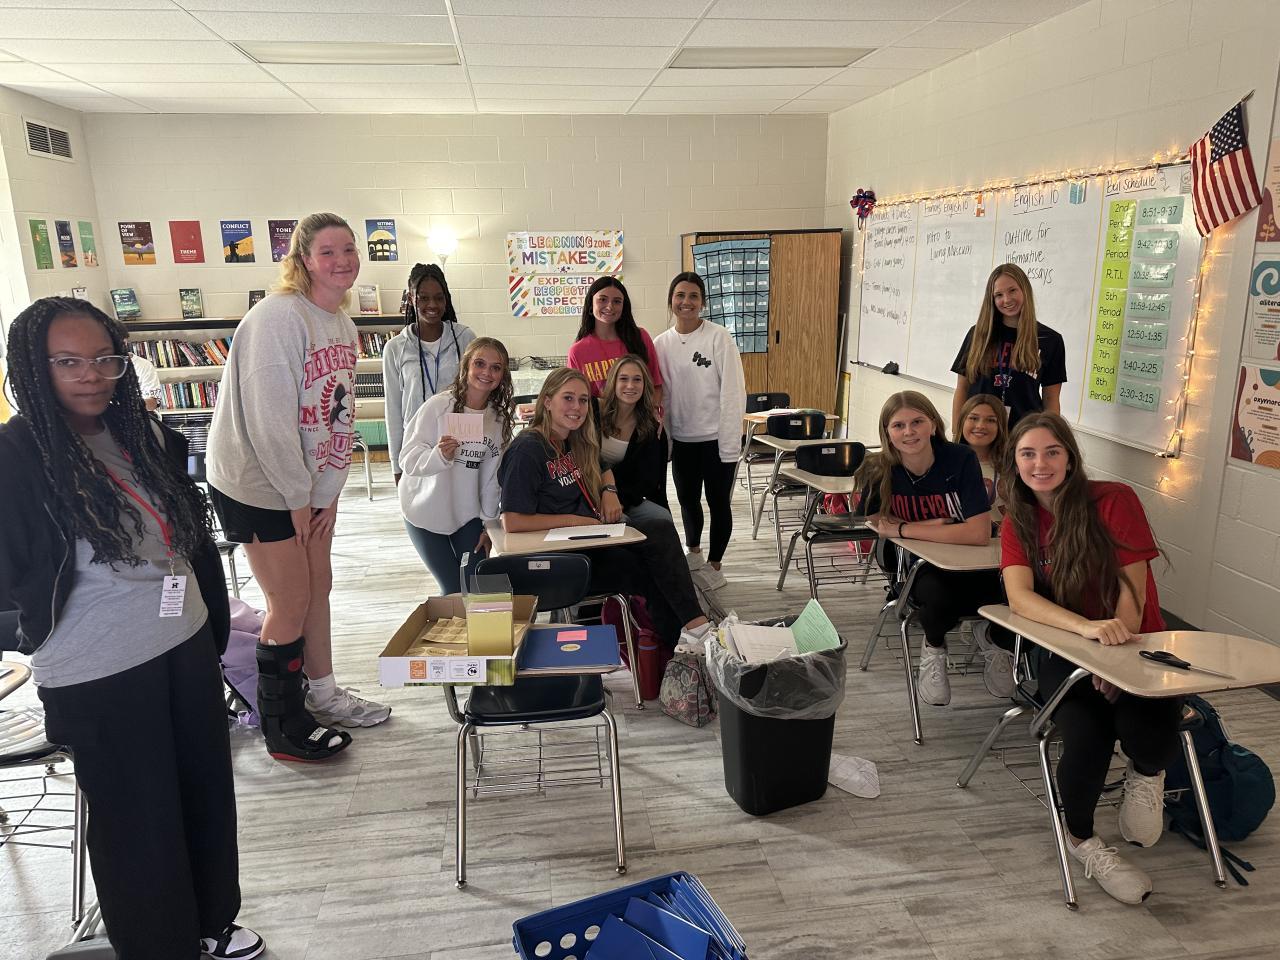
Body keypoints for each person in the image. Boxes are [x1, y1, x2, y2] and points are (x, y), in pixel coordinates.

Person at [0, 297, 263, 960]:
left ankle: (212, 921)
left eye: (104, 359)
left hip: (183, 641)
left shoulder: (141, 433)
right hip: (97, 669)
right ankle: (159, 946)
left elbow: (188, 532)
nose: (91, 375)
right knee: (137, 823)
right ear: (33, 366)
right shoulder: (15, 456)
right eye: (67, 362)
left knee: (204, 794)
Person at [206, 212, 390, 763]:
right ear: (304, 259)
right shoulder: (278, 318)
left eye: (349, 250)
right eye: (328, 251)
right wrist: (296, 498)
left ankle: (324, 694)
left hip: (304, 485)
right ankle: (283, 725)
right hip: (256, 482)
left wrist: (326, 493)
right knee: (289, 601)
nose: (342, 261)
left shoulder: (342, 325)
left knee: (318, 585)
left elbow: (337, 418)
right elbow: (270, 422)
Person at [1001, 412, 1180, 905]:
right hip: (1070, 648)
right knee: (1087, 733)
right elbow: (1019, 598)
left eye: (1052, 452)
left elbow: (1132, 592)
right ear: (1015, 462)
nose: (1040, 464)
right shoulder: (1019, 520)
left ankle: (1147, 773)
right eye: (1028, 454)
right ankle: (1082, 839)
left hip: (1136, 641)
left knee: (1150, 726)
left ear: (1070, 458)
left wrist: (1114, 660)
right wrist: (1086, 632)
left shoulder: (1113, 500)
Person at [498, 367, 710, 651]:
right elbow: (512, 521)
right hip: (560, 558)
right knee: (652, 568)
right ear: (547, 401)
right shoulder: (527, 450)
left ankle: (690, 634)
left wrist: (609, 491)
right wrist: (575, 521)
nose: (577, 407)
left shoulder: (572, 438)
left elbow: (603, 466)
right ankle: (687, 640)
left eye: (583, 400)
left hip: (590, 539)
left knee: (659, 534)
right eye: (568, 398)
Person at [862, 391, 1014, 706]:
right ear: (887, 432)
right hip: (911, 561)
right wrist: (938, 526)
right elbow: (876, 520)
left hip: (969, 558)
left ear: (933, 424)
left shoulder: (960, 458)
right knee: (939, 595)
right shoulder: (880, 467)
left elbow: (978, 533)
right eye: (898, 425)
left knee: (1013, 593)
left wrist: (906, 528)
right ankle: (933, 647)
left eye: (917, 422)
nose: (909, 432)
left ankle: (993, 639)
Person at [654, 271, 746, 592]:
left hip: (716, 440)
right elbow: (662, 396)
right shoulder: (661, 344)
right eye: (680, 295)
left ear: (703, 303)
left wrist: (730, 443)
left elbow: (733, 392)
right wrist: (665, 441)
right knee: (687, 500)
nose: (686, 302)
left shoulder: (719, 338)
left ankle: (716, 564)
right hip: (682, 441)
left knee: (718, 502)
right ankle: (694, 552)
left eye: (693, 296)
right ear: (671, 300)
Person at [399, 337, 513, 594]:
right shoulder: (438, 407)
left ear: (503, 375)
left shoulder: (497, 421)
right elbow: (407, 459)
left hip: (467, 515)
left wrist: (489, 526)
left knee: (477, 586)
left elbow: (492, 480)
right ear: (466, 366)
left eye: (496, 367)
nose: (487, 373)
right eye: (480, 364)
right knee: (452, 590)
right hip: (424, 511)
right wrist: (439, 456)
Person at [383, 262, 477, 484]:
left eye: (438, 297)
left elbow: (477, 396)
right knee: (421, 505)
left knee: (462, 504)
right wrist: (396, 464)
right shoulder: (395, 348)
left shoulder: (465, 338)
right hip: (417, 446)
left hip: (460, 443)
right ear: (411, 299)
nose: (432, 305)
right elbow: (393, 410)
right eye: (423, 298)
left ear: (446, 299)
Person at [950, 262, 1066, 436]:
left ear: (1024, 290)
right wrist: (956, 434)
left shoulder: (1050, 340)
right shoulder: (978, 335)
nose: (1006, 300)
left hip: (1023, 436)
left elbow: (1051, 398)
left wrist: (1050, 437)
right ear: (992, 299)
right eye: (999, 294)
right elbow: (962, 388)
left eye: (1012, 290)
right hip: (978, 435)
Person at [596, 354, 670, 523]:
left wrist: (619, 501)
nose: (630, 385)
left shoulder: (651, 428)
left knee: (663, 519)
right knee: (622, 522)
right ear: (613, 382)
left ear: (645, 385)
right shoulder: (593, 410)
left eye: (637, 379)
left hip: (622, 496)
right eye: (623, 379)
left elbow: (647, 481)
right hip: (584, 493)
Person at [567, 276, 664, 404]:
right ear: (591, 303)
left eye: (617, 301)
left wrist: (653, 412)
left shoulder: (640, 337)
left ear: (624, 306)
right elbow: (575, 398)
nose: (610, 306)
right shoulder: (578, 351)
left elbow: (656, 385)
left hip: (640, 416)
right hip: (598, 417)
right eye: (602, 299)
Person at [956, 392, 1009, 524]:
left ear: (1000, 426)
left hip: (996, 535)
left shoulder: (1010, 467)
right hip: (952, 533)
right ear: (962, 421)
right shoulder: (943, 461)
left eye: (991, 420)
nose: (980, 426)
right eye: (973, 418)